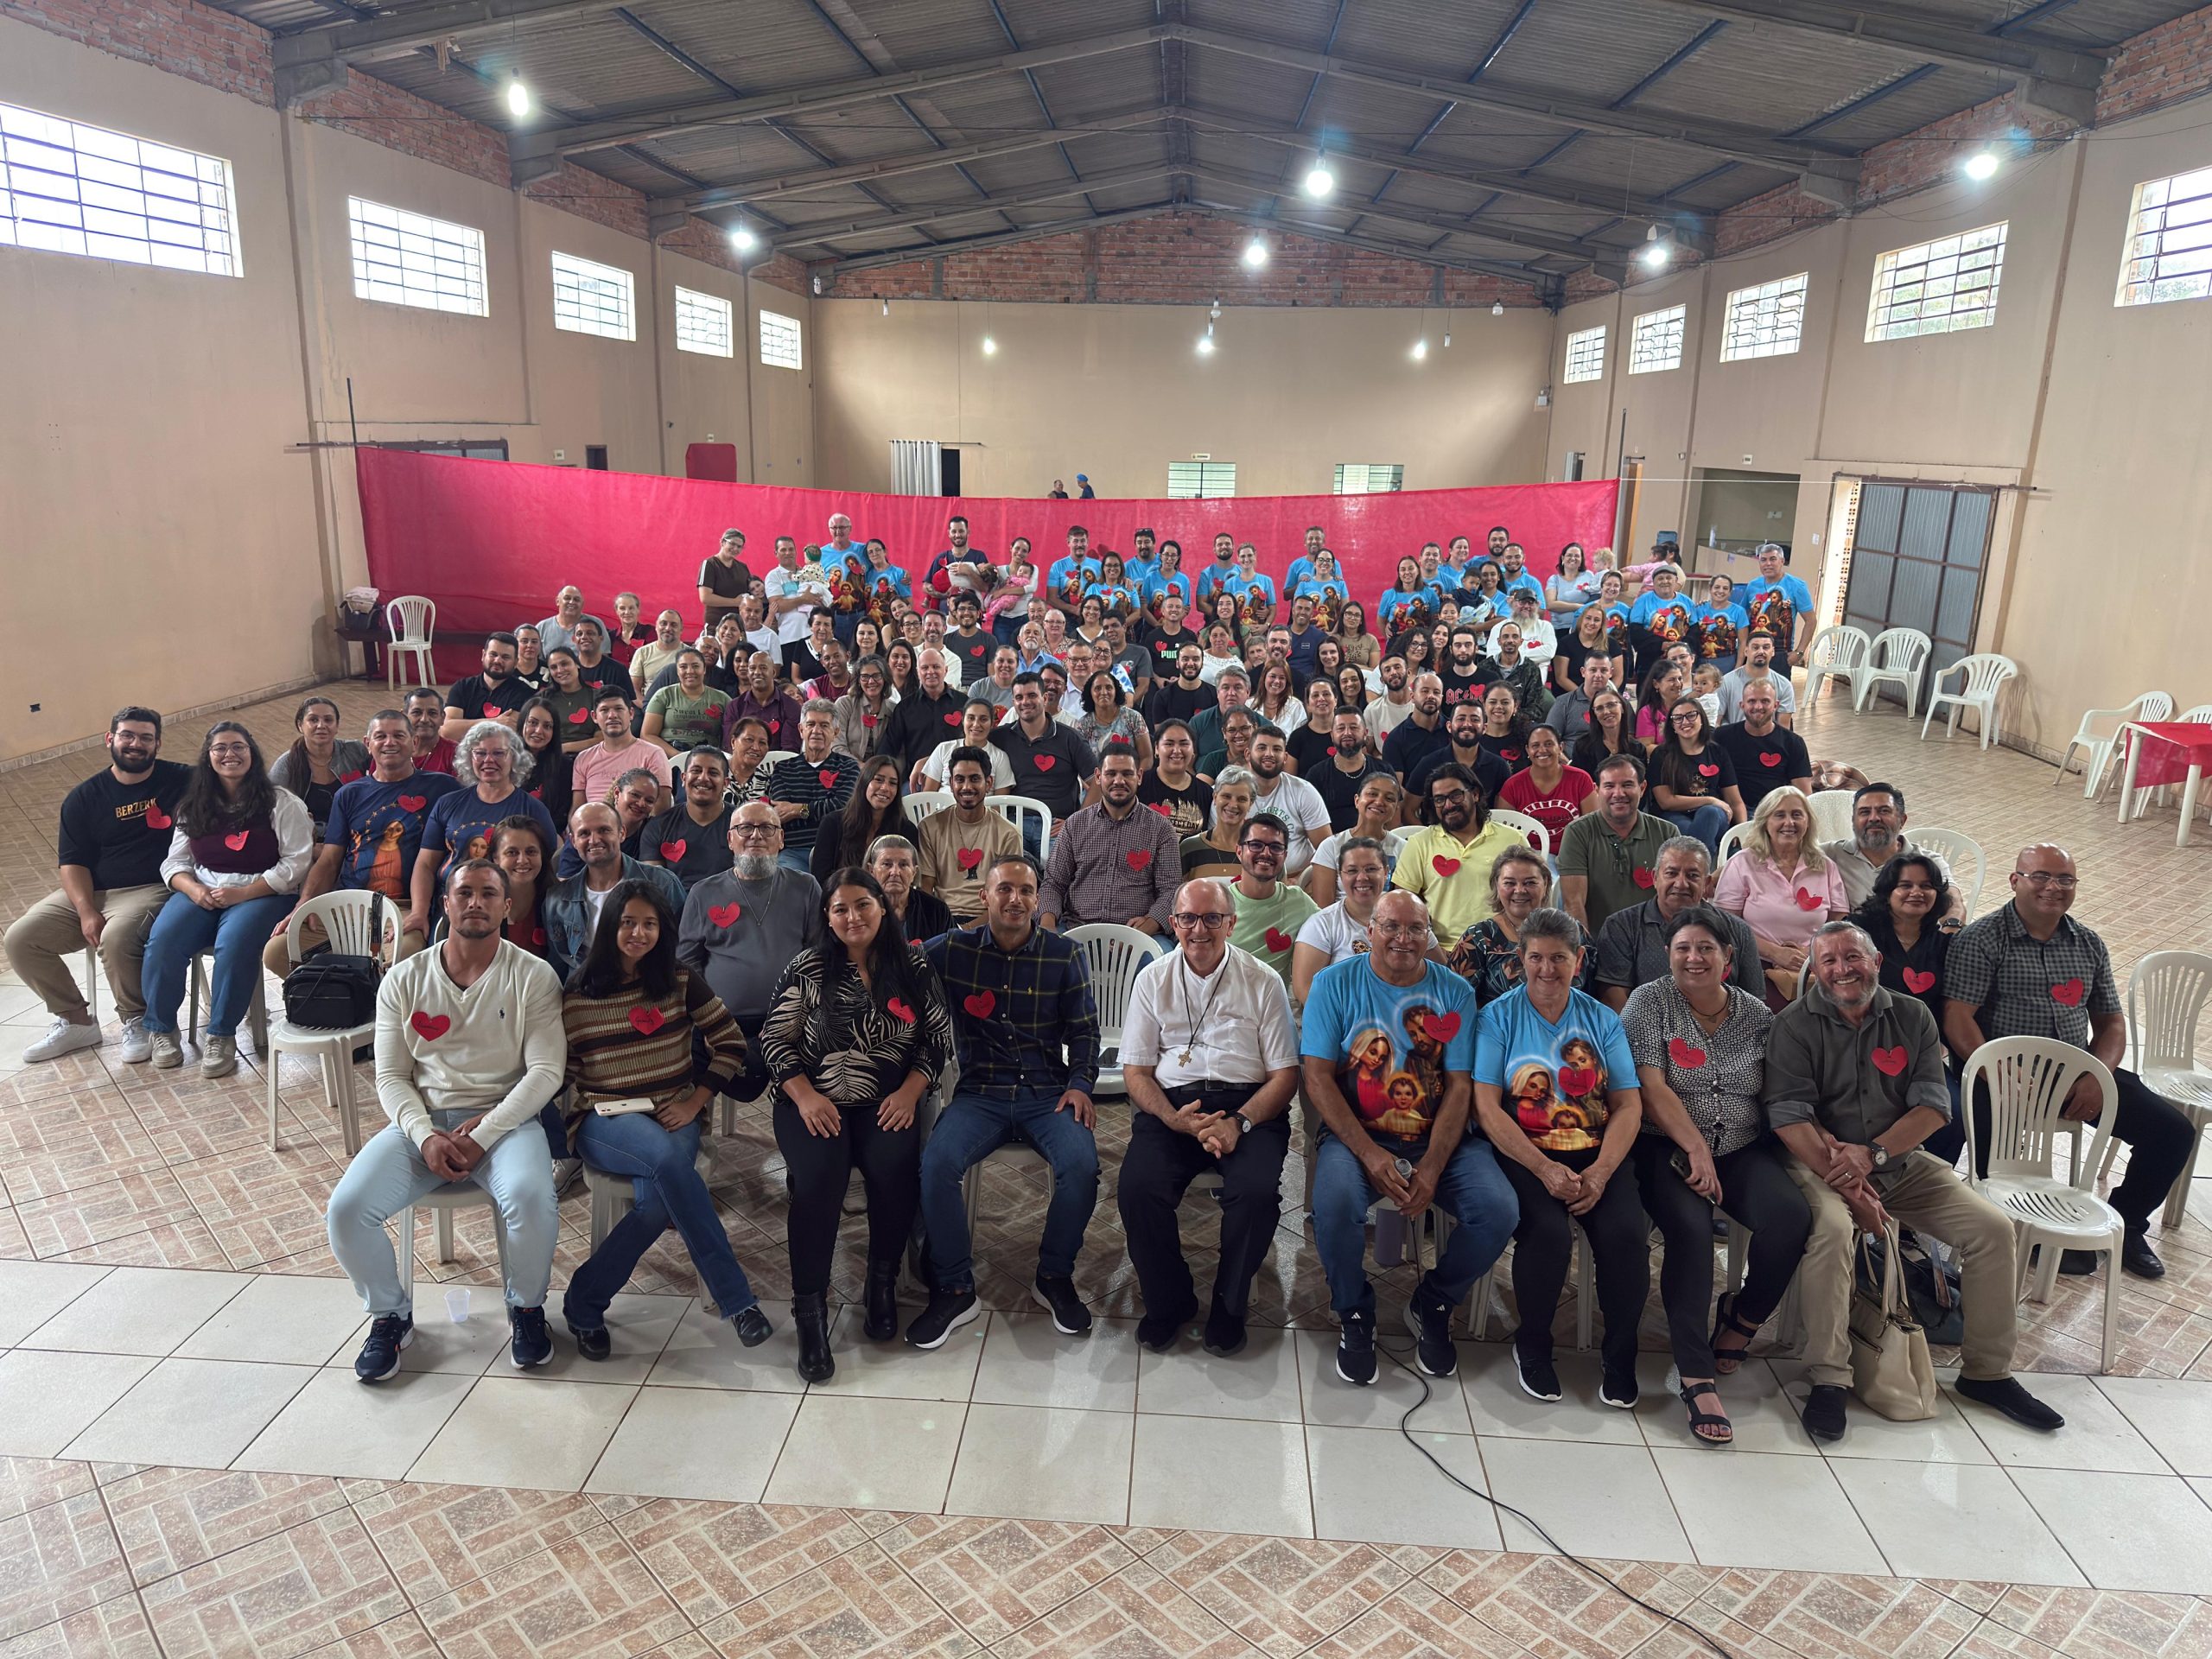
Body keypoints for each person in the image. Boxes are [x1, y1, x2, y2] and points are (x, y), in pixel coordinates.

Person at [1770, 923, 2063, 1440]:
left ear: (1876, 960)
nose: (1842, 969)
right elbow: (1790, 1117)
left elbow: (1934, 1105)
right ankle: (1830, 1378)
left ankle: (1987, 1372)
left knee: (1993, 1230)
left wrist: (1874, 1153)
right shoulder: (1794, 1024)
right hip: (1822, 1166)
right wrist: (1850, 1182)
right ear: (1814, 970)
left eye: (1853, 957)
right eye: (1830, 961)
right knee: (1835, 1233)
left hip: (1900, 1164)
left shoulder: (1912, 1015)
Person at [327, 858, 564, 1380]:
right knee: (346, 1209)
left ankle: (526, 1310)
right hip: (424, 1124)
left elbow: (547, 1071)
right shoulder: (404, 979)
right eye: (464, 893)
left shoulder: (532, 976)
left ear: (507, 905)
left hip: (506, 1123)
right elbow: (390, 1077)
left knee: (530, 1197)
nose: (475, 902)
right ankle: (391, 1315)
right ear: (445, 902)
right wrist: (423, 1135)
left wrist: (488, 1131)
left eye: (487, 893)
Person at [1943, 844, 2192, 1278]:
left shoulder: (2088, 944)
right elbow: (1958, 1020)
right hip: (2000, 1075)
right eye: (2041, 876)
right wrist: (2000, 1075)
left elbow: (2112, 1024)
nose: (2053, 888)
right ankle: (2012, 1228)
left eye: (2065, 879)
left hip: (2074, 1075)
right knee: (1993, 1155)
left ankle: (2128, 1222)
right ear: (2015, 880)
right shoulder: (1981, 939)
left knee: (2172, 1133)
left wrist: (2099, 1076)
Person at [1304, 890, 1517, 1382]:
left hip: (1438, 1137)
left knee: (1499, 1210)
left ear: (1429, 935)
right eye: (1392, 927)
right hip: (1357, 1136)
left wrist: (1434, 1164)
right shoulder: (1333, 983)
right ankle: (1354, 1311)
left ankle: (1435, 1303)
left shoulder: (1454, 992)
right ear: (1370, 932)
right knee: (1333, 1205)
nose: (1403, 938)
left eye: (1416, 929)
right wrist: (1369, 1152)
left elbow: (1461, 1083)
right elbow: (1316, 1077)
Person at [751, 868, 949, 1381]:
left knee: (895, 1169)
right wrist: (806, 1095)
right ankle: (810, 1312)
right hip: (812, 1101)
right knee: (818, 1182)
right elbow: (773, 1040)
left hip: (887, 1101)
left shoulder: (913, 963)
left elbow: (937, 1038)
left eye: (863, 905)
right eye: (841, 908)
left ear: (883, 908)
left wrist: (910, 1091)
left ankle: (881, 1280)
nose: (853, 916)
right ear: (828, 917)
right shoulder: (808, 966)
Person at [559, 879, 768, 1357]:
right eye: (628, 922)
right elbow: (564, 1068)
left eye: (650, 924)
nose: (638, 933)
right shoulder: (578, 988)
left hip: (674, 1111)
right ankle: (738, 1302)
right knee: (670, 1166)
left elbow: (732, 1042)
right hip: (604, 1116)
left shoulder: (679, 979)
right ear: (610, 924)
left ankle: (584, 1302)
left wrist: (697, 1101)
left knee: (657, 1204)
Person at [1621, 906, 1806, 1444]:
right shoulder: (1649, 1003)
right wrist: (1695, 1147)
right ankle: (1695, 1372)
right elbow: (1650, 1087)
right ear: (1669, 954)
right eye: (1683, 948)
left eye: (1706, 949)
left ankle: (1743, 1317)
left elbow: (1779, 1091)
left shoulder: (1755, 1015)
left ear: (1729, 958)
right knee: (1691, 1231)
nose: (1693, 958)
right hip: (1664, 1148)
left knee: (1790, 1219)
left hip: (1740, 1147)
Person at [911, 854, 1101, 1347]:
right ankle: (954, 1286)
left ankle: (1054, 1276)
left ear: (1038, 898)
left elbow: (1084, 1032)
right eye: (1005, 890)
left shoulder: (1063, 955)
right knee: (937, 1164)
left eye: (1026, 891)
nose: (1016, 899)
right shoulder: (952, 950)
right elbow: (903, 967)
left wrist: (1080, 1083)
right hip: (981, 1093)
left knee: (1081, 1165)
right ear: (984, 897)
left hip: (1047, 1094)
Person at [1118, 879, 1299, 1356]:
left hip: (1247, 1107)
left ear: (1231, 923)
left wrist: (1237, 1123)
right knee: (1138, 1189)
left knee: (1256, 1194)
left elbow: (1285, 1076)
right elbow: (1135, 1072)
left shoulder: (1264, 980)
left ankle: (1228, 1305)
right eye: (1189, 919)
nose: (1200, 929)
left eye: (1212, 918)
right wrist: (1173, 1118)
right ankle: (1170, 1301)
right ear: (1173, 923)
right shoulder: (1151, 978)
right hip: (1172, 1107)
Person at [1474, 908, 1647, 1405]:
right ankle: (1532, 1344)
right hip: (1524, 1151)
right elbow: (1487, 1105)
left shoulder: (1602, 1019)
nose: (1546, 969)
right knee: (1547, 1235)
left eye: (1559, 958)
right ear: (1519, 960)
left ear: (1580, 960)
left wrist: (1600, 1172)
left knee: (1626, 1236)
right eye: (1536, 958)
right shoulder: (1498, 1017)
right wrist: (1543, 1167)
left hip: (1598, 1151)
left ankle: (1620, 1352)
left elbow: (1628, 1104)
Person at [7, 707, 189, 1065]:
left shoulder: (182, 779)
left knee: (117, 936)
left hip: (154, 887)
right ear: (110, 739)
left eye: (146, 738)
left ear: (158, 744)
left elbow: (236, 781)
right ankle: (76, 1021)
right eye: (127, 736)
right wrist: (86, 909)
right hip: (95, 890)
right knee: (20, 938)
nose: (136, 744)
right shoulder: (84, 797)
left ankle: (137, 1020)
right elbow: (72, 862)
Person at [137, 722, 311, 1076]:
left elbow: (297, 862)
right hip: (203, 889)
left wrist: (244, 893)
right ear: (208, 756)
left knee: (234, 944)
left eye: (238, 747)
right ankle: (160, 1028)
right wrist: (192, 889)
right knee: (164, 939)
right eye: (220, 748)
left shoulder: (280, 802)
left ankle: (221, 1034)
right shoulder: (194, 805)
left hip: (261, 892)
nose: (229, 754)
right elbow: (176, 861)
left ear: (252, 754)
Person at [263, 709, 458, 980]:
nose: (389, 742)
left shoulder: (444, 788)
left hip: (405, 907)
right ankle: (348, 1002)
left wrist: (421, 911)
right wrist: (304, 905)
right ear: (368, 744)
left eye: (399, 736)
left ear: (414, 743)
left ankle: (374, 1010)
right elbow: (330, 860)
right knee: (277, 951)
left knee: (403, 956)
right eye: (381, 736)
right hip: (349, 907)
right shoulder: (349, 794)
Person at [677, 800, 824, 1102]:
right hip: (722, 1017)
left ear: (781, 839)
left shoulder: (806, 886)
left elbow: (818, 956)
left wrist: (798, 1016)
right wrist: (708, 1022)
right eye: (745, 828)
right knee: (685, 1056)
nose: (756, 835)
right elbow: (687, 965)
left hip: (789, 1017)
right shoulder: (703, 892)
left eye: (767, 828)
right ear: (730, 839)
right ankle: (697, 1126)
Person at [411, 722, 559, 943]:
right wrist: (419, 912)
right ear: (469, 758)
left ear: (514, 758)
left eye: (498, 753)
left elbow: (546, 865)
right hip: (450, 905)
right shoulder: (448, 804)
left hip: (508, 910)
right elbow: (425, 864)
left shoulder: (533, 809)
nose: (488, 760)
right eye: (480, 753)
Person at [1592, 836, 1765, 1008]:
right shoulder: (1621, 926)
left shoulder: (1738, 930)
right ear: (1655, 878)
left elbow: (1753, 1002)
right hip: (1645, 1032)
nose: (1681, 883)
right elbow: (1614, 1000)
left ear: (1706, 883)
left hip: (1726, 1032)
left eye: (1692, 875)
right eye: (1671, 873)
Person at [1713, 786, 1848, 1002]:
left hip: (1815, 962)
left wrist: (1811, 950)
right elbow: (1727, 924)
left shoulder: (1825, 866)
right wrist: (1775, 953)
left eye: (1797, 815)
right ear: (1766, 822)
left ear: (1808, 822)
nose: (1789, 823)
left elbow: (1839, 922)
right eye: (1779, 815)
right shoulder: (1743, 863)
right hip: (1755, 963)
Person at [1039, 743, 1180, 934]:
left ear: (1139, 776)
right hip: (1076, 927)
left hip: (1137, 933)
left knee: (1162, 960)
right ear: (1098, 777)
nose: (1119, 781)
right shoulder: (1075, 825)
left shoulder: (1161, 829)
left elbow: (1171, 890)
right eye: (1111, 774)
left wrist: (1148, 925)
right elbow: (1054, 883)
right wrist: (1047, 928)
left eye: (1127, 774)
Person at [542, 799, 688, 982]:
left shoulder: (663, 883)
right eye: (584, 833)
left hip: (649, 989)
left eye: (604, 830)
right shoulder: (557, 899)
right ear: (573, 841)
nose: (594, 840)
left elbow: (681, 948)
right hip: (586, 995)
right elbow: (558, 965)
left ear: (622, 833)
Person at [1391, 764, 1520, 945]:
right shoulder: (1420, 843)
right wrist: (1429, 946)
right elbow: (1404, 902)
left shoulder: (1512, 839)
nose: (1448, 805)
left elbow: (1533, 894)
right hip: (1439, 950)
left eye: (1455, 796)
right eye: (1439, 799)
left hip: (1500, 947)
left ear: (1474, 794)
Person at [1446, 846, 1592, 1006]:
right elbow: (1453, 1000)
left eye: (1530, 882)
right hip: (1497, 1029)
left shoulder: (1574, 932)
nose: (1520, 890)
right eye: (1509, 883)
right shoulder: (1478, 937)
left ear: (1546, 884)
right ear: (1497, 885)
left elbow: (1594, 994)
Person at [1558, 753, 1676, 938]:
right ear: (1596, 790)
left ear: (1643, 788)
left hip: (1654, 943)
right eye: (1609, 786)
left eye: (1627, 785)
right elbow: (1574, 905)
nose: (1618, 793)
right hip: (1599, 944)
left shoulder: (1667, 833)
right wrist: (1587, 954)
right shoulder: (1577, 832)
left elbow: (1675, 899)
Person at [915, 748, 1021, 924]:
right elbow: (926, 887)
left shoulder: (1008, 834)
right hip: (942, 918)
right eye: (959, 779)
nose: (966, 787)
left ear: (988, 783)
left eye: (974, 779)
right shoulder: (930, 827)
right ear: (951, 783)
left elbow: (1006, 899)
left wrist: (967, 930)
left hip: (989, 921)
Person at [1822, 781, 1957, 914]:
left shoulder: (1929, 861)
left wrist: (1952, 925)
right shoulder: (1828, 854)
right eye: (1865, 812)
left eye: (1884, 811)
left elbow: (1955, 905)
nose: (1874, 818)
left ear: (1902, 821)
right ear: (1853, 821)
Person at [764, 702, 859, 876]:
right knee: (791, 886)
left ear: (836, 732)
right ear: (801, 730)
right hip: (794, 852)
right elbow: (782, 813)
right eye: (811, 724)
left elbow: (843, 808)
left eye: (824, 725)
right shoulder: (782, 768)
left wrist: (799, 809)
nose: (817, 730)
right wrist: (821, 808)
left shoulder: (849, 767)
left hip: (836, 850)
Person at [1293, 836, 1391, 1003]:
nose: (1362, 877)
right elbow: (1305, 991)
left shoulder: (1407, 914)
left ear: (1386, 872)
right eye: (1352, 870)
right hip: (1346, 1021)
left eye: (1371, 869)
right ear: (1340, 875)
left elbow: (1438, 970)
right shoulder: (1321, 925)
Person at [1224, 810, 1317, 987]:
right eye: (1256, 845)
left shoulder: (1299, 902)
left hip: (1271, 1006)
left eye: (1276, 847)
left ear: (1285, 856)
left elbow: (1331, 928)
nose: (1266, 853)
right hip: (1220, 1000)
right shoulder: (1218, 903)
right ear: (1239, 851)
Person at [991, 672, 1097, 825]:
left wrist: (1076, 822)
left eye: (1032, 695)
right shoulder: (1000, 737)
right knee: (1010, 851)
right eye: (1019, 698)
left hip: (1056, 824)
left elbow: (1098, 783)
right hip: (1014, 824)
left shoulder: (1070, 738)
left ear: (1045, 698)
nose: (1025, 702)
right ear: (1013, 702)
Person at [266, 696, 370, 842]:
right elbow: (270, 813)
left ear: (337, 726)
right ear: (300, 725)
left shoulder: (356, 751)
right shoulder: (285, 765)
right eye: (313, 720)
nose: (321, 725)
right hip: (310, 842)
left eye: (328, 720)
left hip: (357, 834)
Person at [1647, 699, 1745, 855]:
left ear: (1702, 719)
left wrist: (1741, 831)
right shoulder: (1661, 754)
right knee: (1695, 831)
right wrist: (1709, 800)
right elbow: (1666, 801)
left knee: (1709, 814)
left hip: (1715, 815)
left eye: (1691, 715)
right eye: (1678, 718)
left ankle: (1696, 870)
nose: (1685, 722)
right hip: (1674, 815)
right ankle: (1705, 870)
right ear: (1672, 725)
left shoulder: (1717, 752)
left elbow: (1734, 800)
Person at [640, 747, 734, 893]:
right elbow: (653, 887)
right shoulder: (659, 826)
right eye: (696, 770)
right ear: (683, 778)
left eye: (713, 773)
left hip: (728, 907)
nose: (703, 778)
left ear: (726, 783)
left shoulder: (742, 825)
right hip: (674, 909)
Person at [1306, 776, 1410, 906]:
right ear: (1357, 800)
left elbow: (1402, 905)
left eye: (1389, 799)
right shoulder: (1331, 846)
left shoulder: (1405, 849)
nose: (1379, 802)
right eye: (1372, 794)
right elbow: (1323, 909)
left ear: (1395, 809)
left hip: (1387, 922)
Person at [1713, 679, 1812, 816]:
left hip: (1774, 811)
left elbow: (1804, 794)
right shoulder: (1721, 737)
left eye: (1765, 701)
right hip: (1730, 809)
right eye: (1752, 701)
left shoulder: (1793, 742)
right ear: (1742, 705)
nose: (1758, 707)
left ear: (1776, 705)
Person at [1243, 726, 1332, 877]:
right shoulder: (1231, 793)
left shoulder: (1303, 791)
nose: (1269, 754)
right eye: (1262, 748)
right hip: (1244, 880)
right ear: (1248, 754)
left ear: (1285, 757)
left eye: (1277, 749)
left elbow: (1327, 849)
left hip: (1296, 882)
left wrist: (1301, 879)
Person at [810, 753, 910, 886]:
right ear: (864, 782)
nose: (885, 788)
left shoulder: (906, 829)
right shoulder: (832, 823)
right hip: (842, 898)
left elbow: (908, 880)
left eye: (893, 783)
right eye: (878, 780)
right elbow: (821, 878)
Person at [571, 689, 672, 813]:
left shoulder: (653, 754)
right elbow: (577, 809)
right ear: (594, 717)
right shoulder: (584, 758)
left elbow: (661, 809)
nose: (612, 715)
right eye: (604, 710)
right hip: (593, 826)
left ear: (631, 714)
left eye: (619, 709)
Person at [1497, 725, 1593, 851]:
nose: (1542, 750)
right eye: (1535, 745)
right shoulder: (1513, 786)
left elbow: (1593, 829)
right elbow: (1504, 836)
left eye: (1549, 744)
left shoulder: (1581, 779)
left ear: (1560, 747)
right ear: (1527, 750)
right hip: (1529, 856)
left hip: (1574, 854)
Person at [441, 634, 532, 740]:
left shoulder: (524, 692)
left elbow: (507, 734)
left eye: (505, 657)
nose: (497, 661)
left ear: (516, 663)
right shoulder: (462, 687)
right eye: (493, 654)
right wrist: (495, 722)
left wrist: (463, 726)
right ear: (483, 655)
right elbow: (447, 731)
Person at [642, 649, 730, 758]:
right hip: (668, 757)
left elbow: (733, 736)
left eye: (695, 666)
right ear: (677, 671)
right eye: (683, 667)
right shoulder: (663, 695)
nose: (690, 671)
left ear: (704, 669)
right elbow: (647, 735)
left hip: (708, 758)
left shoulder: (722, 698)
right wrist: (679, 756)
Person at [1741, 543, 1815, 667]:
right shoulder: (1753, 585)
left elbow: (1811, 621)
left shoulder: (1797, 586)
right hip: (1752, 651)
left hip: (1780, 653)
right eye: (1763, 560)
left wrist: (1799, 652)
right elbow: (1741, 616)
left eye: (1773, 559)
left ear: (1782, 561)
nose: (1768, 564)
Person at [1138, 720, 1213, 838]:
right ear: (1157, 748)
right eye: (1169, 744)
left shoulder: (1206, 793)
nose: (1177, 751)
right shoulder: (1139, 784)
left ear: (1193, 749)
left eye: (1184, 744)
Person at [1714, 628, 1800, 727]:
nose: (1761, 651)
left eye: (1766, 647)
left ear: (1773, 652)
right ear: (1746, 651)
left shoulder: (1784, 685)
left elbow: (1783, 729)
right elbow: (1716, 721)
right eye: (1755, 647)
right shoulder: (1726, 682)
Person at [1181, 768, 1253, 879]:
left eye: (1242, 799)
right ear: (1215, 798)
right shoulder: (1189, 848)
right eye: (1226, 796)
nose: (1233, 805)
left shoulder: (1261, 850)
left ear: (1251, 804)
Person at [1072, 672, 1151, 772]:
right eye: (1098, 688)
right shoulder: (1082, 725)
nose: (1104, 692)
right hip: (1096, 784)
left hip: (1132, 782)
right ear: (1090, 693)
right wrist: (1094, 787)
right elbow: (1080, 765)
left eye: (1109, 687)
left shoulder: (1133, 718)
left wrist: (1136, 781)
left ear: (1116, 691)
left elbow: (1146, 757)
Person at [1568, 687, 1643, 777]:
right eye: (1599, 708)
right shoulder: (1582, 746)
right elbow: (1580, 784)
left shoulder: (1637, 748)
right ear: (1594, 714)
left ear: (1623, 708)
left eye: (1611, 705)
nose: (1606, 712)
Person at [698, 529, 754, 630]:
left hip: (739, 626)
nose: (735, 548)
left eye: (739, 546)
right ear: (722, 542)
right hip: (717, 625)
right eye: (732, 544)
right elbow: (705, 598)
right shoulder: (710, 564)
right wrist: (735, 602)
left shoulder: (743, 567)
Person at [535, 586, 606, 657]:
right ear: (557, 601)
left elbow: (604, 657)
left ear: (582, 604)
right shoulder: (542, 628)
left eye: (576, 600)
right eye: (567, 598)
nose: (572, 602)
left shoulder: (595, 624)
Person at [632, 609, 690, 693]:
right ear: (656, 626)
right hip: (648, 703)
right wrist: (648, 706)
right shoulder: (642, 653)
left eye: (673, 625)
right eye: (663, 623)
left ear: (681, 629)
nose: (668, 628)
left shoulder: (691, 655)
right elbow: (634, 691)